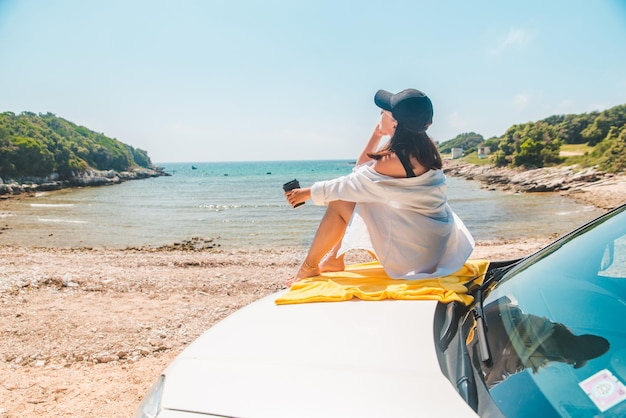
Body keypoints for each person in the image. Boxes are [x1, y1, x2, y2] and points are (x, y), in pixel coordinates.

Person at [284, 88, 475, 286]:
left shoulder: (395, 159)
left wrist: (307, 193)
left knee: (340, 201)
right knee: (366, 197)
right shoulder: (425, 148)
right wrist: (377, 134)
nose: (379, 117)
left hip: (415, 257)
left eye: (383, 113)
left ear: (395, 123)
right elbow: (363, 174)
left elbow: (354, 182)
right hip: (433, 246)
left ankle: (309, 266)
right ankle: (334, 259)